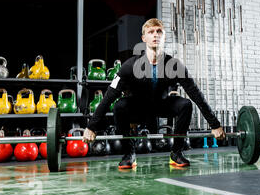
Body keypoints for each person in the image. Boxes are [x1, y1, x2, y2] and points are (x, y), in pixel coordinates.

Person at [82, 18, 225, 169]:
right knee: (119, 106)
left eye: (159, 32)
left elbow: (196, 94)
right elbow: (108, 97)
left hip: (162, 104)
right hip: (138, 107)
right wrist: (91, 127)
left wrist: (214, 124)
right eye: (151, 32)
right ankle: (129, 153)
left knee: (186, 104)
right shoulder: (129, 66)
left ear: (164, 37)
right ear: (144, 38)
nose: (155, 35)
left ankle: (176, 153)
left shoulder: (175, 65)